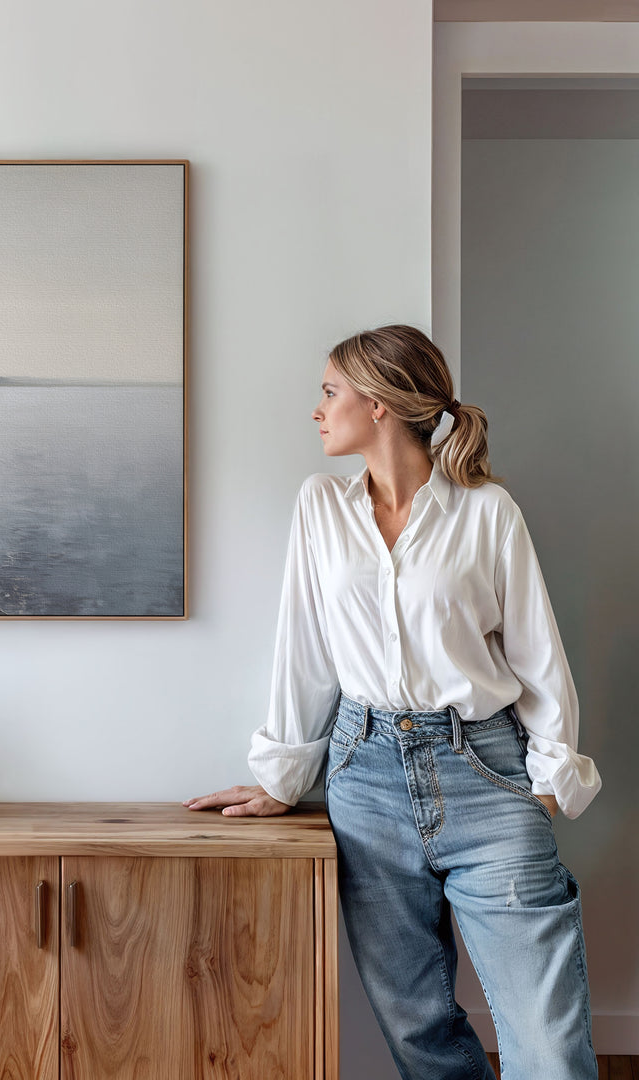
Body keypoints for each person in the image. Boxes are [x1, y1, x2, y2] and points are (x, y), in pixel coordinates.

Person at [185, 325, 601, 1080]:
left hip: (486, 771)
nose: (317, 410)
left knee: (547, 1041)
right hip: (365, 777)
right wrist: (283, 776)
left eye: (330, 392)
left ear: (378, 404)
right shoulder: (320, 506)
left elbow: (538, 654)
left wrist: (546, 782)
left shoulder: (487, 512)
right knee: (418, 1031)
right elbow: (304, 650)